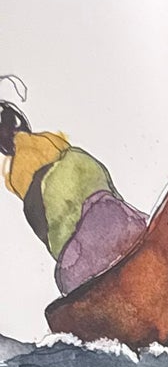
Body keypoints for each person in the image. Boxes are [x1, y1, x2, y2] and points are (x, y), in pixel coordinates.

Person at [0, 78, 148, 296]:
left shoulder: (25, 191)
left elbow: (52, 242)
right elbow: (112, 193)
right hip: (117, 229)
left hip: (80, 267)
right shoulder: (71, 155)